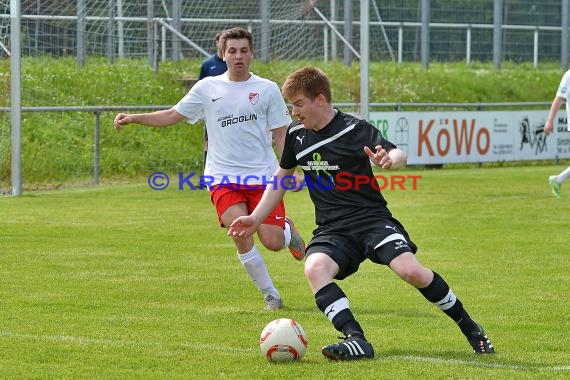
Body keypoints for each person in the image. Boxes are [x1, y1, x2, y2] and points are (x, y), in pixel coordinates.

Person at [228, 67, 495, 360]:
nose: (294, 112)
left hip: (371, 221)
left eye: (299, 103)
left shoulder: (354, 129)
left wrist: (389, 160)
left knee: (411, 271)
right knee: (315, 268)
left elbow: (397, 153)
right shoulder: (296, 136)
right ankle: (356, 340)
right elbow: (281, 179)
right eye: (292, 105)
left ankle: (470, 328)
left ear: (320, 100)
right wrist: (255, 219)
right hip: (332, 230)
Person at [113, 27, 306, 310]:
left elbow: (281, 134)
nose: (238, 56)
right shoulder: (207, 88)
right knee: (240, 232)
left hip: (263, 177)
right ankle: (271, 295)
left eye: (243, 50)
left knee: (273, 242)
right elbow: (172, 115)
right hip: (222, 177)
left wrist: (291, 170)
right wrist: (133, 118)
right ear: (223, 54)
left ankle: (286, 231)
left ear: (251, 53)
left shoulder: (267, 89)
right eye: (232, 51)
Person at [198, 31, 229, 188]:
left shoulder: (233, 62)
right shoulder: (208, 64)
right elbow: (201, 90)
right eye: (221, 40)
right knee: (208, 143)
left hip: (231, 113)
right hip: (213, 113)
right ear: (217, 43)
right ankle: (207, 177)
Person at [544, 69, 570, 198]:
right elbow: (558, 99)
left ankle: (558, 180)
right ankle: (558, 179)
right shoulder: (568, 76)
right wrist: (549, 121)